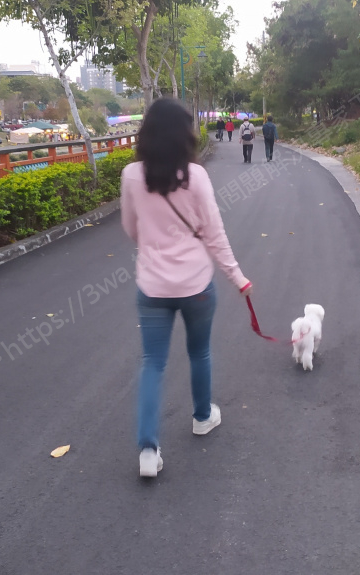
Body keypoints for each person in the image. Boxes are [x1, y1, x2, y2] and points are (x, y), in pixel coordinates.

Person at [120, 97, 254, 478]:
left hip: (152, 286)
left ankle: (148, 450)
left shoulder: (131, 175)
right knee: (199, 352)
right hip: (196, 285)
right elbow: (214, 234)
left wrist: (153, 247)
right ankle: (202, 417)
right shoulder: (196, 177)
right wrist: (238, 278)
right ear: (184, 134)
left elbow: (131, 227)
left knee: (152, 363)